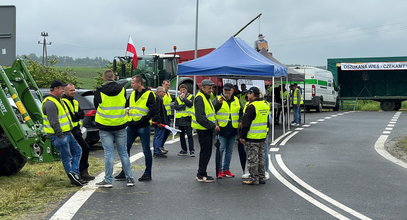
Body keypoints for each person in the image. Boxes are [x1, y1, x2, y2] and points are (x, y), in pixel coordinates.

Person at [94, 70, 134, 188]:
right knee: (123, 153)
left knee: (108, 153)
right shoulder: (122, 89)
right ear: (114, 77)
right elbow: (124, 103)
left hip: (105, 125)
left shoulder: (99, 91)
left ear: (104, 78)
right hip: (120, 124)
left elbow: (96, 106)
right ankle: (130, 178)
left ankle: (108, 180)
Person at [115, 75, 157, 182]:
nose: (132, 84)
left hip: (143, 126)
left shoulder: (149, 94)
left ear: (139, 83)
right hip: (132, 126)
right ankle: (124, 172)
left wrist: (144, 119)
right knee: (125, 148)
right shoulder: (133, 93)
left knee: (146, 150)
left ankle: (148, 173)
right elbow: (127, 106)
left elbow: (153, 110)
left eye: (133, 83)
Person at [42, 80, 84, 186]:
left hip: (67, 133)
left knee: (78, 151)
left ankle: (74, 174)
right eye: (61, 89)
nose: (62, 91)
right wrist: (60, 135)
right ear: (55, 89)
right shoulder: (50, 103)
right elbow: (54, 121)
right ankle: (74, 177)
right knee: (67, 157)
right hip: (59, 135)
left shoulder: (58, 100)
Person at [62, 83, 95, 181]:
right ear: (65, 91)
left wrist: (76, 114)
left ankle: (82, 172)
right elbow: (72, 116)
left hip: (77, 129)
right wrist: (76, 115)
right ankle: (80, 172)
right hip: (70, 130)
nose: (73, 92)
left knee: (81, 150)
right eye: (71, 90)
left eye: (74, 90)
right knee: (83, 149)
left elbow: (81, 115)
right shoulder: (63, 102)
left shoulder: (75, 101)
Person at [239, 87, 270, 185]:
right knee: (261, 158)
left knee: (252, 159)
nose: (247, 96)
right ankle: (261, 177)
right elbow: (267, 121)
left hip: (252, 136)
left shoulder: (252, 106)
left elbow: (246, 124)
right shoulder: (265, 104)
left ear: (253, 94)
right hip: (262, 136)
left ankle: (253, 178)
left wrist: (242, 136)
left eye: (248, 93)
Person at [213, 83, 242, 179]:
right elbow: (212, 111)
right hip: (221, 129)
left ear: (232, 91)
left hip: (233, 129)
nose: (227, 92)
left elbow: (241, 111)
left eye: (229, 90)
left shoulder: (237, 100)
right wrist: (218, 103)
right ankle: (219, 171)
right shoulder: (217, 99)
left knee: (229, 151)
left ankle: (226, 169)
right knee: (220, 150)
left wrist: (240, 121)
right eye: (225, 90)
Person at [192, 79, 219, 183]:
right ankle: (201, 174)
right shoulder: (200, 98)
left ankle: (202, 173)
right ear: (202, 88)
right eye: (209, 88)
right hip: (203, 129)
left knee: (206, 152)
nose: (211, 90)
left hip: (206, 128)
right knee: (205, 152)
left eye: (211, 88)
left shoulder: (206, 97)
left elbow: (210, 112)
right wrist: (213, 126)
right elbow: (200, 117)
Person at [173, 84, 195, 157]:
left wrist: (184, 99)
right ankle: (184, 150)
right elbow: (175, 107)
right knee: (181, 136)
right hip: (180, 119)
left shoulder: (191, 96)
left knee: (189, 135)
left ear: (186, 90)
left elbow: (190, 104)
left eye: (184, 90)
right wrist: (183, 106)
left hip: (188, 118)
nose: (182, 91)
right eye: (181, 90)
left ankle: (192, 150)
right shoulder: (177, 98)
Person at [152, 86, 170, 158]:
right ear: (159, 92)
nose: (164, 94)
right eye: (163, 92)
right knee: (159, 136)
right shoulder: (158, 99)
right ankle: (157, 151)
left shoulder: (157, 98)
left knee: (157, 136)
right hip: (160, 121)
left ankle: (157, 150)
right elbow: (158, 111)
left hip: (159, 121)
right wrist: (159, 121)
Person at [161, 80, 173, 154]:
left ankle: (161, 145)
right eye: (166, 85)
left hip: (168, 115)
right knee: (162, 132)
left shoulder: (168, 93)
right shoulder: (161, 93)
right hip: (163, 115)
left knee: (167, 131)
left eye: (168, 85)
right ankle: (160, 147)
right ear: (162, 84)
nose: (168, 86)